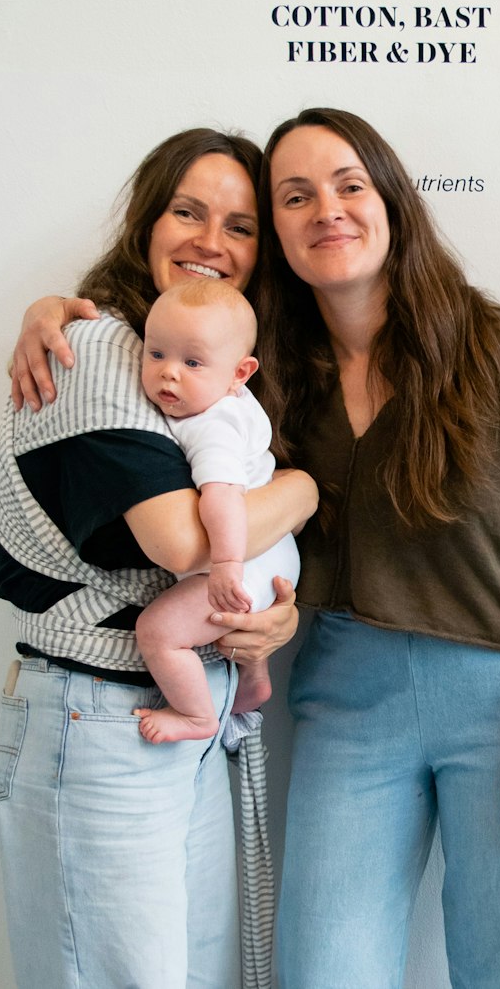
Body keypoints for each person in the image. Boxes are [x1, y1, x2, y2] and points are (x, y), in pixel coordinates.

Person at [255, 107, 500, 988]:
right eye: (295, 196)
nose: (326, 210)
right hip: (348, 697)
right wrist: (52, 315)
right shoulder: (266, 370)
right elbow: (153, 331)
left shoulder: (496, 348)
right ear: (275, 230)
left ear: (392, 199)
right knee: (322, 970)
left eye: (349, 184)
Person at [0, 128, 316, 989]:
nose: (211, 240)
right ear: (146, 222)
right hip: (96, 723)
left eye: (240, 226)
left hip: (174, 719)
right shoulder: (101, 352)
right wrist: (307, 488)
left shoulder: (216, 381)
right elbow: (182, 543)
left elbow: (231, 543)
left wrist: (267, 616)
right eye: (188, 211)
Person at [134, 279, 301, 744]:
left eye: (191, 362)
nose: (169, 374)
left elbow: (223, 496)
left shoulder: (212, 425)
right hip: (273, 553)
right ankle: (253, 678)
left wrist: (226, 564)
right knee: (228, 627)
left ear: (240, 372)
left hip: (244, 557)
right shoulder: (231, 399)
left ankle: (197, 717)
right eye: (156, 354)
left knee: (158, 631)